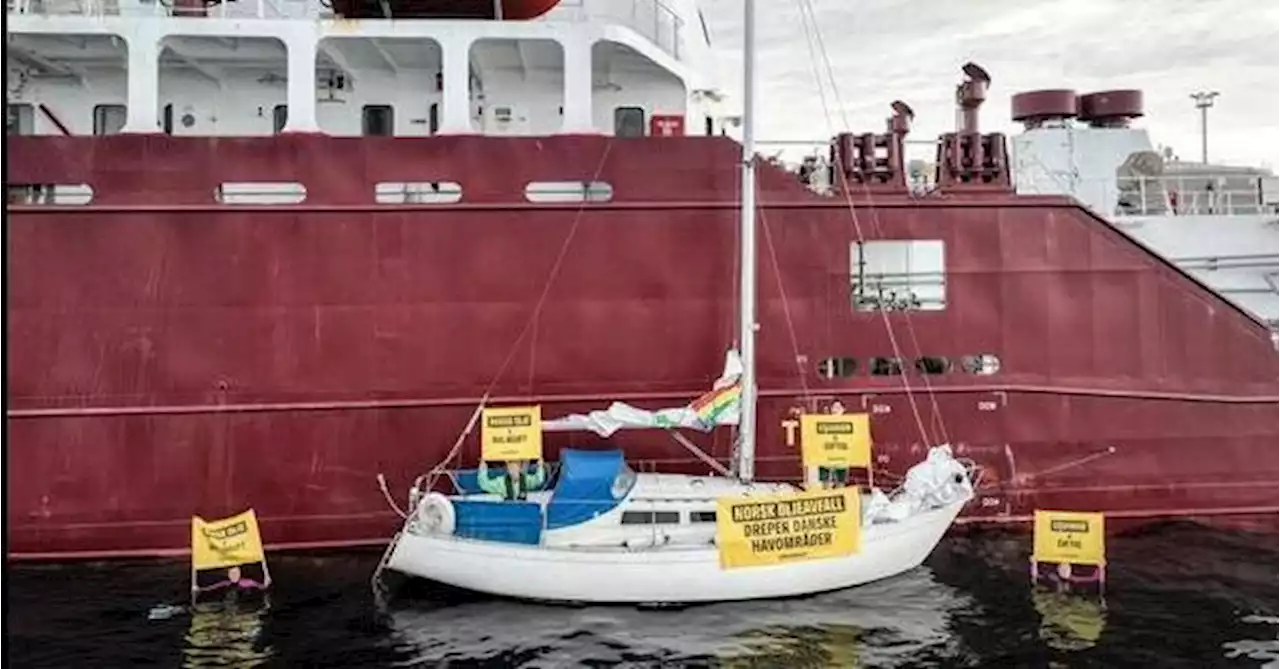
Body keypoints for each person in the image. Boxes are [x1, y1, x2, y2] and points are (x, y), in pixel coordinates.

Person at [478, 459, 547, 501]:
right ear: (507, 469)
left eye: (515, 467)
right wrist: (483, 469)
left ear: (519, 468)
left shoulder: (526, 480)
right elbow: (485, 484)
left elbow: (539, 480)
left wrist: (540, 466)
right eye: (510, 468)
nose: (513, 471)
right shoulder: (501, 482)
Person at [818, 400, 850, 489]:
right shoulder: (824, 422)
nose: (836, 410)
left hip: (842, 459)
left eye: (838, 407)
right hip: (825, 458)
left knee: (841, 483)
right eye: (834, 407)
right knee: (825, 483)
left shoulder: (849, 423)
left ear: (844, 409)